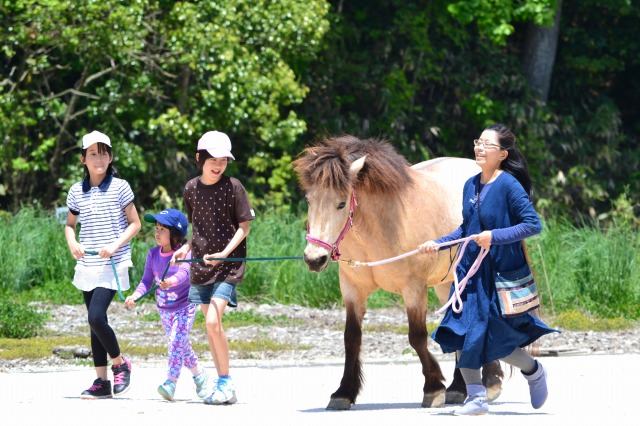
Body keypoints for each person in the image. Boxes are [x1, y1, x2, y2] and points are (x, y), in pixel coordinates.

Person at [418, 123, 558, 416]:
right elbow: (466, 229)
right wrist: (438, 243)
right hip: (469, 272)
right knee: (463, 332)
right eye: (477, 142)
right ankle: (476, 397)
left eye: (486, 144)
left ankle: (533, 371)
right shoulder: (470, 185)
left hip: (497, 274)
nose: (479, 148)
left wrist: (494, 236)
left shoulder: (509, 185)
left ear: (503, 154)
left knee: (498, 341)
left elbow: (532, 224)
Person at [171, 130, 255, 405]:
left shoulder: (234, 187)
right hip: (201, 266)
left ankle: (226, 381)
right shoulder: (191, 189)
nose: (218, 165)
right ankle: (223, 383)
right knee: (212, 328)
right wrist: (185, 248)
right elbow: (198, 228)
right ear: (200, 158)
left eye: (223, 160)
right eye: (213, 159)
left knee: (211, 321)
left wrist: (224, 255)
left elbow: (244, 227)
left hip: (228, 266)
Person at [64, 130, 141, 399]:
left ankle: (120, 363)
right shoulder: (76, 191)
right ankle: (101, 382)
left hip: (114, 264)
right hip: (88, 264)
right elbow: (70, 226)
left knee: (95, 316)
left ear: (111, 157)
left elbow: (136, 223)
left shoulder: (121, 187)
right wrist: (72, 243)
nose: (99, 158)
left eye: (104, 153)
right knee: (96, 323)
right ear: (83, 158)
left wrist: (115, 245)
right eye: (93, 154)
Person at [124, 208, 210, 401]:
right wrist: (135, 296)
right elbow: (146, 281)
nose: (157, 232)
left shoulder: (183, 254)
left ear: (175, 234)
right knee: (180, 344)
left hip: (184, 307)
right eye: (156, 227)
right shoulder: (153, 254)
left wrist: (170, 282)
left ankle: (171, 382)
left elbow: (184, 274)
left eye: (162, 229)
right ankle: (200, 376)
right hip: (164, 310)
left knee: (175, 342)